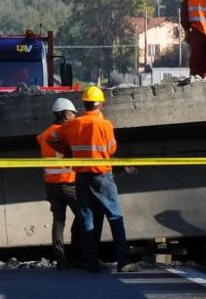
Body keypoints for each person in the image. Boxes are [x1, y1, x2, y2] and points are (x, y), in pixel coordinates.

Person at [51, 85, 138, 273]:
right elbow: (111, 149)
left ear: (84, 104)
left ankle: (90, 261)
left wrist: (68, 152)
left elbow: (52, 138)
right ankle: (123, 261)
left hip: (81, 176)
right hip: (102, 175)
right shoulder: (105, 124)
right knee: (115, 217)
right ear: (99, 105)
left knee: (87, 219)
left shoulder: (72, 124)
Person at [36, 97, 82, 269]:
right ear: (64, 114)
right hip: (68, 183)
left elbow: (41, 140)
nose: (74, 116)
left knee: (59, 220)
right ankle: (82, 255)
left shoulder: (44, 134)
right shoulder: (67, 133)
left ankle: (60, 259)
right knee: (85, 217)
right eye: (72, 113)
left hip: (51, 184)